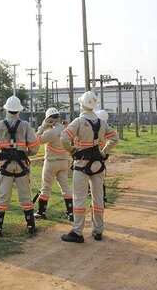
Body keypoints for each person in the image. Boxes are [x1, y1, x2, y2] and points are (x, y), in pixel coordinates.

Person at [60, 91, 118, 243]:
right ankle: (98, 230)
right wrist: (104, 151)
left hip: (81, 164)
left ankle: (77, 232)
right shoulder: (101, 123)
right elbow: (114, 138)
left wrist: (72, 150)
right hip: (98, 164)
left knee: (79, 198)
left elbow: (64, 138)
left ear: (82, 105)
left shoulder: (79, 121)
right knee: (98, 198)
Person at [0, 95, 40, 237]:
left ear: (6, 110)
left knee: (3, 196)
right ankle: (30, 226)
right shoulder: (25, 125)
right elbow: (35, 148)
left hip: (5, 165)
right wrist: (26, 153)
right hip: (22, 165)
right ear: (19, 111)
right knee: (25, 195)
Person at [34, 108, 73, 221]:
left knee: (46, 187)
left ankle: (41, 212)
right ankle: (70, 213)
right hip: (63, 162)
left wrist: (42, 126)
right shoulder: (66, 129)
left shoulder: (53, 132)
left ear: (49, 119)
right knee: (65, 187)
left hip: (51, 162)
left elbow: (36, 139)